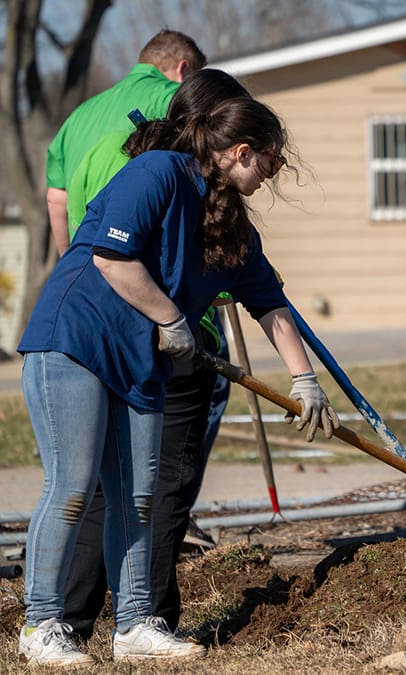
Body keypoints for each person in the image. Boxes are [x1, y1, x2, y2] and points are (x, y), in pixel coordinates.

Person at [16, 97, 340, 666]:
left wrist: (304, 379)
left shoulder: (229, 219)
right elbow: (112, 258)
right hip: (77, 341)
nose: (273, 174)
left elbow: (269, 303)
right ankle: (42, 624)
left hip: (141, 361)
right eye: (272, 161)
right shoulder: (156, 172)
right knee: (72, 488)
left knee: (139, 498)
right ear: (241, 152)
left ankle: (137, 624)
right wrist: (170, 317)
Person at [61, 69, 252, 643]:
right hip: (169, 345)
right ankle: (148, 618)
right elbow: (151, 256)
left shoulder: (97, 141)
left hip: (105, 337)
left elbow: (66, 218)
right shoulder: (177, 173)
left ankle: (72, 619)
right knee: (160, 484)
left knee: (104, 487)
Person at [46, 29, 206, 256]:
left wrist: (70, 261)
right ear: (183, 69)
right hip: (139, 262)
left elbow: (56, 198)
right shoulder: (176, 97)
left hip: (85, 266)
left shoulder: (77, 116)